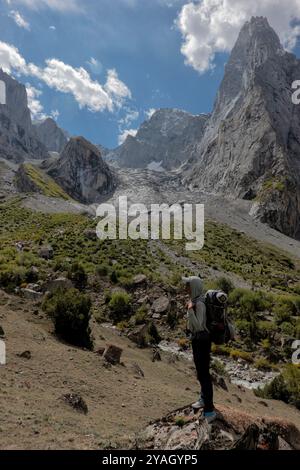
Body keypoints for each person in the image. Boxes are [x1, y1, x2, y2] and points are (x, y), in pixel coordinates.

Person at [182, 275, 216, 423]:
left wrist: (190, 311)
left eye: (187, 285)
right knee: (200, 373)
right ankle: (203, 399)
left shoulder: (200, 303)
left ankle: (209, 410)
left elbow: (199, 326)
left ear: (194, 286)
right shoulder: (195, 300)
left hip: (202, 341)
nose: (185, 287)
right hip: (197, 340)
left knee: (204, 375)